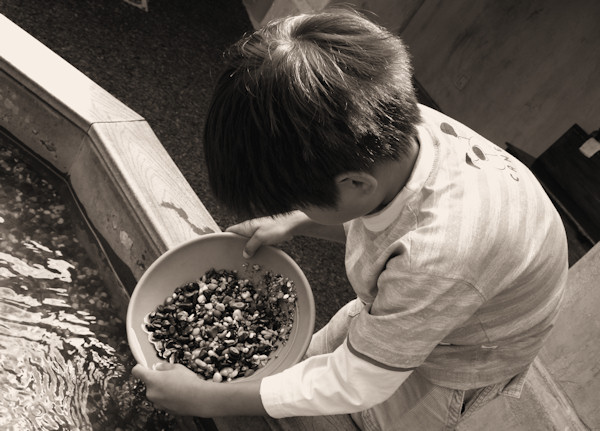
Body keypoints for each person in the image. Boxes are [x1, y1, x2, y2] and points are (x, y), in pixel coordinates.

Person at [133, 7, 568, 430]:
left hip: (462, 352)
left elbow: (359, 382)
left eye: (299, 199)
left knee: (380, 409)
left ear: (356, 185)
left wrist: (208, 397)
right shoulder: (394, 127)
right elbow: (391, 226)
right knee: (331, 361)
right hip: (443, 286)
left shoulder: (435, 259)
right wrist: (299, 219)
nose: (291, 206)